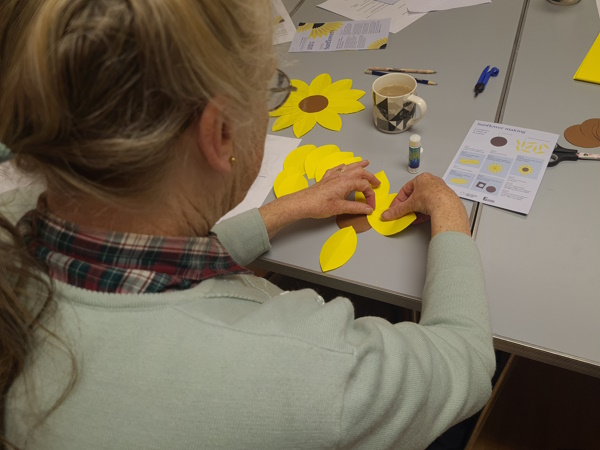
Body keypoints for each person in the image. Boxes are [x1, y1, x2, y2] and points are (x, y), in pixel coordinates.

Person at [0, 0, 495, 449]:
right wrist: (449, 209)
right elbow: (465, 359)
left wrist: (286, 209)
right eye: (271, 89)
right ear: (219, 133)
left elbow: (150, 258)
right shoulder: (306, 366)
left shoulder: (16, 225)